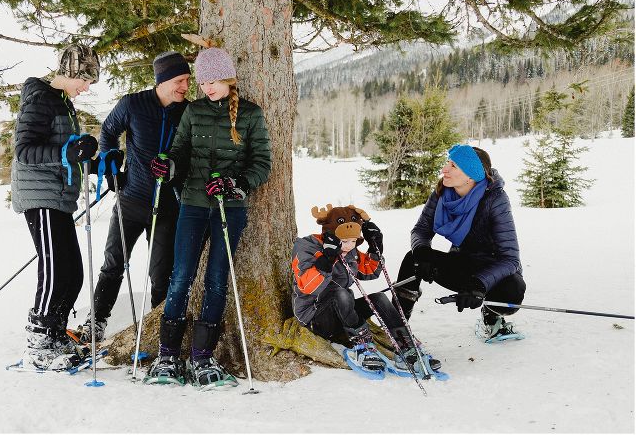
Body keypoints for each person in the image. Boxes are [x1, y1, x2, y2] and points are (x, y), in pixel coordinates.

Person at [146, 47, 271, 387]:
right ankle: (168, 354)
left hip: (228, 208)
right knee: (181, 276)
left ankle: (203, 356)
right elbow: (180, 151)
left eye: (214, 80)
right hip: (193, 204)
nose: (208, 88)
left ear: (229, 78)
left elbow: (261, 162)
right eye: (202, 82)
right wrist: (168, 166)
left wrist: (236, 185)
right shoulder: (193, 112)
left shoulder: (249, 114)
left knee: (217, 280)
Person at [77, 51, 190, 343]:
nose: (185, 87)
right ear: (163, 81)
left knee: (162, 272)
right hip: (131, 200)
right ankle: (96, 322)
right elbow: (109, 132)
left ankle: (159, 326)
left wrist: (175, 167)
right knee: (113, 264)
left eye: (188, 80)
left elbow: (191, 155)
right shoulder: (133, 104)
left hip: (167, 206)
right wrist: (113, 160)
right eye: (180, 80)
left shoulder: (187, 112)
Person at [11, 43, 101, 371]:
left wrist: (84, 151)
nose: (87, 88)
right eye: (85, 80)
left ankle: (56, 333)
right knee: (54, 271)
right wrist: (66, 154)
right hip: (41, 196)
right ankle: (39, 343)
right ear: (70, 72)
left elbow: (63, 147)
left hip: (60, 197)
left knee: (72, 272)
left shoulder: (63, 103)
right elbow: (25, 150)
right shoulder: (41, 99)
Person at [395, 144, 526, 342]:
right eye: (447, 162)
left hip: (493, 271)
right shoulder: (442, 192)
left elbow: (510, 259)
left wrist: (479, 284)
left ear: (471, 175)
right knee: (413, 258)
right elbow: (421, 230)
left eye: (453, 166)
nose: (444, 169)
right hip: (462, 262)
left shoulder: (495, 198)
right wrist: (423, 253)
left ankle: (492, 317)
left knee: (512, 291)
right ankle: (397, 326)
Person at [292, 204, 441, 374]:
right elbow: (307, 287)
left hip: (342, 312)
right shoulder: (306, 247)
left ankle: (407, 347)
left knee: (378, 298)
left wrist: (375, 246)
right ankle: (363, 347)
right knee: (342, 292)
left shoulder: (349, 250)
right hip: (314, 317)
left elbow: (370, 271)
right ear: (330, 236)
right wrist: (328, 258)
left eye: (354, 241)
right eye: (344, 241)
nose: (349, 246)